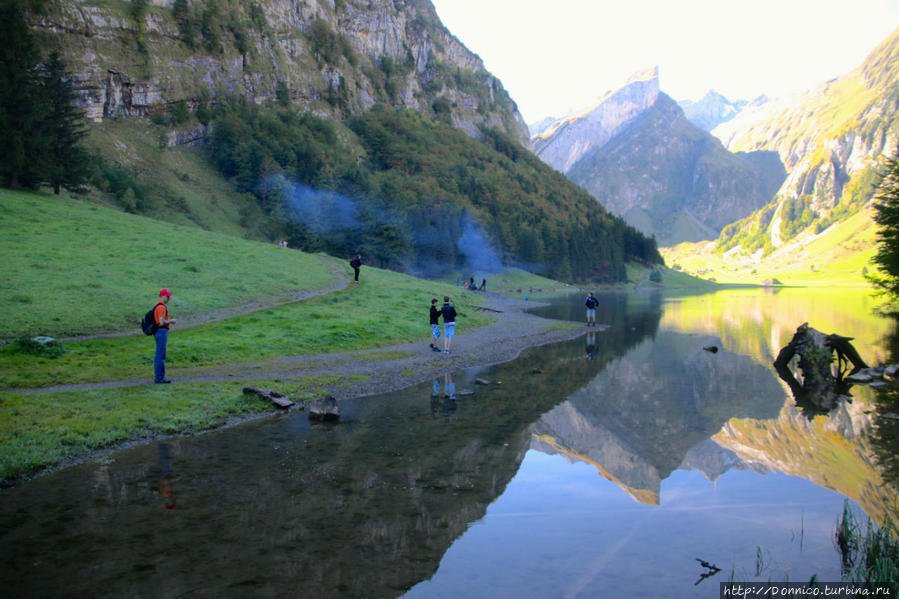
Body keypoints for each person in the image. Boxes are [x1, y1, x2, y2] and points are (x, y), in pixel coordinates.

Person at [153, 289, 177, 383]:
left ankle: (159, 377)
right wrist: (171, 321)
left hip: (158, 331)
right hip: (162, 331)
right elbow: (161, 322)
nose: (169, 298)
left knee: (159, 355)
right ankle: (159, 378)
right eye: (167, 296)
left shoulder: (157, 306)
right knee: (160, 355)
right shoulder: (162, 307)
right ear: (162, 296)